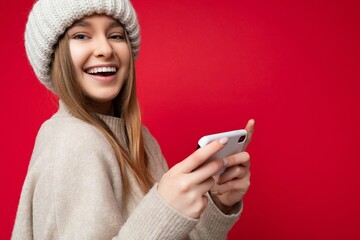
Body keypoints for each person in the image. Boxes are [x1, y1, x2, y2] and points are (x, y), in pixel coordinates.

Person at [12, 0, 255, 239]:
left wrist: (217, 203)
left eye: (116, 35)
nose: (105, 49)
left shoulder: (142, 139)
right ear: (54, 55)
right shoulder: (73, 142)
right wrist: (164, 209)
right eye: (81, 36)